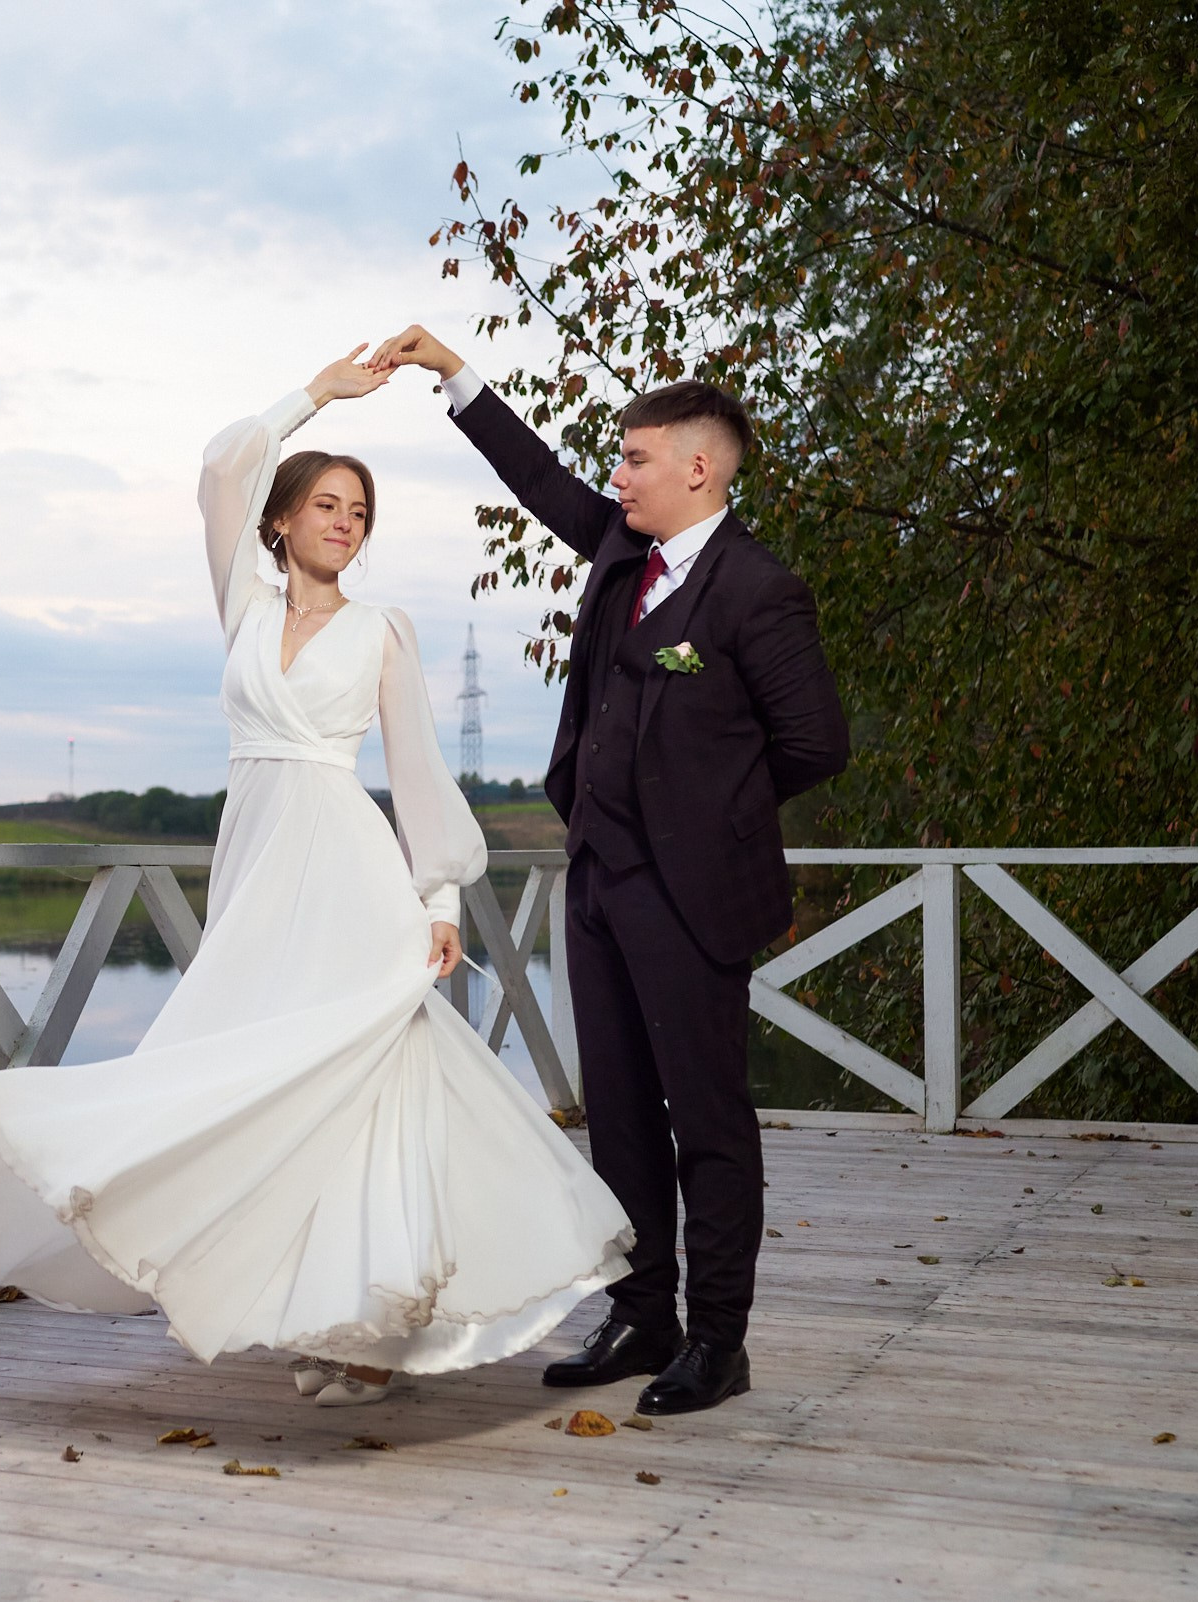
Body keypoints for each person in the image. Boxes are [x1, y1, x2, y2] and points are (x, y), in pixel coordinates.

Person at [0, 345, 633, 1407]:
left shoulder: (383, 630)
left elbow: (416, 771)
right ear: (280, 522)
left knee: (356, 1083)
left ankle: (362, 1322)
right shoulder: (244, 609)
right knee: (253, 1080)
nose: (346, 520)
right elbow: (224, 464)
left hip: (348, 869)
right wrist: (316, 394)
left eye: (359, 509)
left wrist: (438, 896)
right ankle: (290, 1298)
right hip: (258, 870)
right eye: (325, 502)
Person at [368, 325, 849, 1416]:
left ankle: (718, 1343)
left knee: (708, 1121)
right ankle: (643, 1313)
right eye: (618, 459)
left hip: (694, 898)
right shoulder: (621, 552)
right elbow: (539, 479)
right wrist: (455, 376)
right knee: (622, 1114)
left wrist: (703, 814)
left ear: (700, 467)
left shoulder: (757, 590)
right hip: (598, 886)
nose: (616, 476)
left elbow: (816, 744)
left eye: (634, 459)